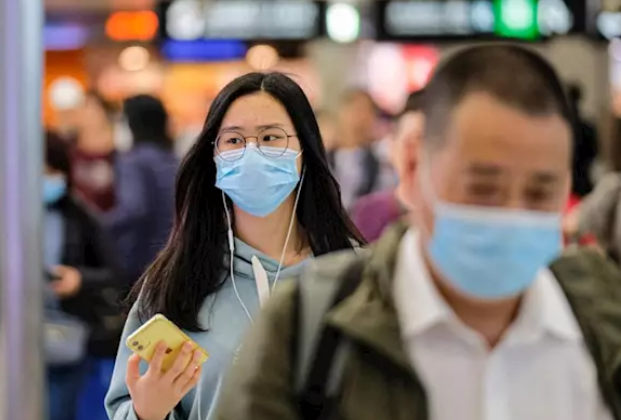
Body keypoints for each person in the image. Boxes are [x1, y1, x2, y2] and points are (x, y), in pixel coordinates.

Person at [215, 46, 619, 420]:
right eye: (482, 188)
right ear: (411, 167)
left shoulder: (603, 323)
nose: (512, 214)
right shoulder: (311, 326)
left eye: (540, 192)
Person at [105, 72, 365, 420]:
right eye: (234, 140)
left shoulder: (357, 278)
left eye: (271, 137)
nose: (252, 153)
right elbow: (125, 404)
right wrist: (146, 413)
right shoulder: (177, 284)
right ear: (213, 156)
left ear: (305, 150)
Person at [43, 132, 121, 420]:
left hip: (68, 338)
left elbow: (114, 273)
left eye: (51, 171)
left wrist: (79, 280)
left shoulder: (80, 217)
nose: (44, 179)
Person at [104, 94, 179, 287]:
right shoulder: (173, 159)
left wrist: (99, 228)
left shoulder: (133, 161)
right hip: (173, 256)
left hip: (139, 262)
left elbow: (133, 209)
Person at [351, 89, 425, 242]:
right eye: (410, 141)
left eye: (425, 142)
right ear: (392, 147)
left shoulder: (449, 216)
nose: (416, 152)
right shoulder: (367, 213)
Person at [328, 89, 384, 210]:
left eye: (366, 111)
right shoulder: (325, 158)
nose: (360, 118)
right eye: (355, 110)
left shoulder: (378, 162)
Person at [71, 91, 118, 212]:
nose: (88, 116)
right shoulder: (71, 150)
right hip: (79, 219)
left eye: (93, 110)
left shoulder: (119, 151)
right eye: (84, 110)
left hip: (110, 219)